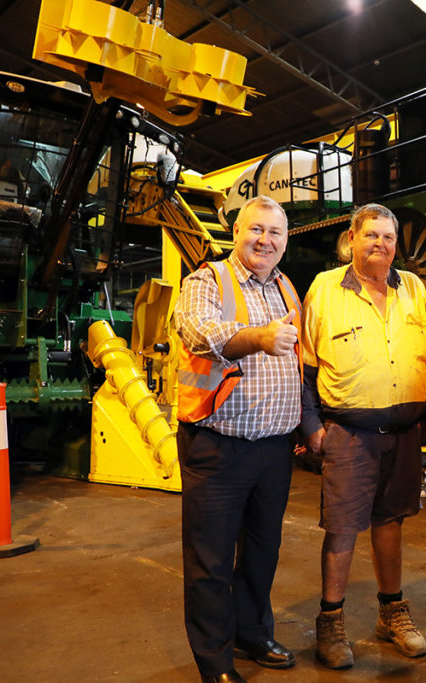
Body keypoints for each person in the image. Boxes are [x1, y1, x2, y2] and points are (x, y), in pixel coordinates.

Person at [174, 196, 303, 683]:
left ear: (286, 241)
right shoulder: (208, 280)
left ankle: (252, 633)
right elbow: (199, 333)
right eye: (256, 230)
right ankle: (215, 662)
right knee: (209, 559)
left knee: (261, 550)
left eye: (276, 233)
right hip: (217, 447)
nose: (265, 240)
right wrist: (261, 337)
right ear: (236, 232)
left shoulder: (287, 288)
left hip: (274, 448)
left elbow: (299, 363)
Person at [301, 203, 426, 670]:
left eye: (389, 237)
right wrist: (312, 425)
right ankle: (331, 622)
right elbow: (306, 366)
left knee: (391, 521)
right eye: (371, 235)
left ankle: (391, 614)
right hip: (350, 433)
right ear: (351, 239)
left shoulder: (414, 289)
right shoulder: (324, 289)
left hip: (403, 432)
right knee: (341, 529)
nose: (380, 244)